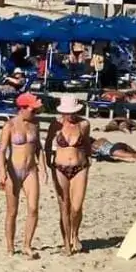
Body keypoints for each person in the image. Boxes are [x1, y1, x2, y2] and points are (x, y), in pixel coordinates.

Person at [0, 93, 46, 258]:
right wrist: (2, 170)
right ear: (23, 108)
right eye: (33, 110)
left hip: (31, 170)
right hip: (13, 171)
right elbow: (2, 150)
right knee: (12, 211)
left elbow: (39, 147)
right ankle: (10, 247)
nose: (35, 113)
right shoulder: (10, 125)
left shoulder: (35, 124)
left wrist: (44, 168)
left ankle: (27, 245)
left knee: (33, 209)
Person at [45, 96, 92, 255]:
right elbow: (47, 144)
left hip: (80, 167)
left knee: (77, 207)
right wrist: (48, 161)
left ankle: (75, 235)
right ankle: (66, 243)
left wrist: (89, 158)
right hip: (60, 167)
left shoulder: (84, 124)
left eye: (73, 112)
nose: (70, 115)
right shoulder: (56, 125)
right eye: (67, 112)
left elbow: (86, 143)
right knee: (64, 207)